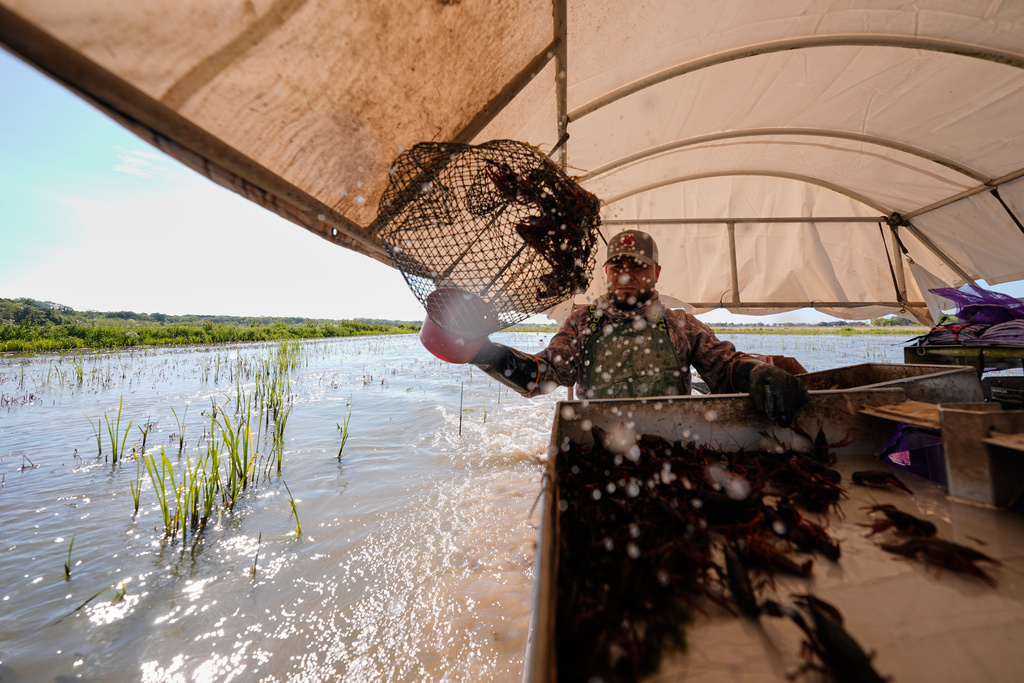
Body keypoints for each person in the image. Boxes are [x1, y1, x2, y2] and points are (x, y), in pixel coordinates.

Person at [459, 230, 808, 427]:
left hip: (675, 438)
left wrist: (758, 373)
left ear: (656, 273)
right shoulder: (582, 323)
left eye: (638, 267)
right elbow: (543, 375)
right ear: (607, 273)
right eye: (618, 267)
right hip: (600, 441)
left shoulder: (680, 323)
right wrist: (483, 353)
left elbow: (724, 368)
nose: (627, 276)